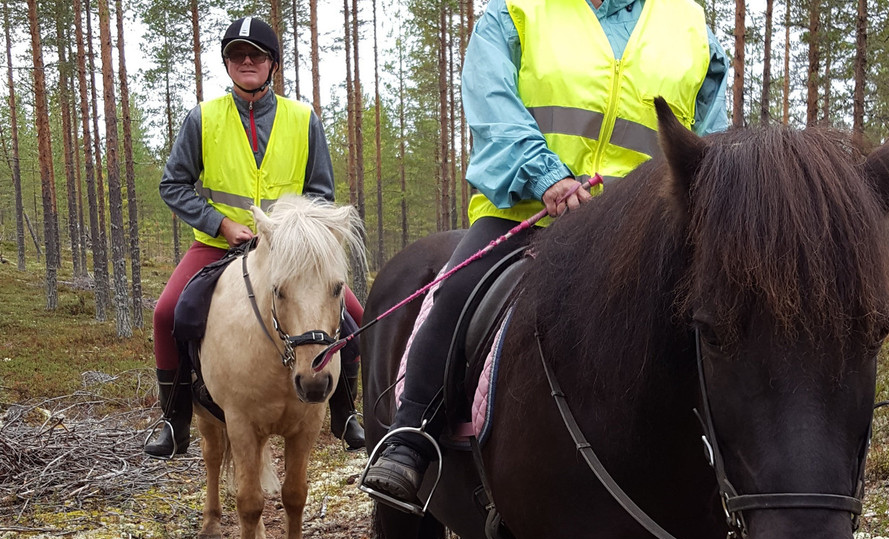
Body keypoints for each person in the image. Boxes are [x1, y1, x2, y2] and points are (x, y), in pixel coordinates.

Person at [363, 0, 729, 511]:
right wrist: (545, 175)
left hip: (651, 227)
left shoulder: (689, 24)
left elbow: (711, 136)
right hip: (528, 209)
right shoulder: (515, 12)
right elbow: (493, 106)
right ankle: (409, 437)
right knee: (459, 291)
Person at [146, 16, 365, 459]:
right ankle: (174, 418)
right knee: (168, 311)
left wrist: (291, 230)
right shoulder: (203, 118)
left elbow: (321, 193)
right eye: (236, 55)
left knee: (355, 317)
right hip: (218, 243)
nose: (247, 61)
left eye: (257, 55)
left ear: (272, 64)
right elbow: (173, 185)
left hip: (289, 249)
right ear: (227, 64)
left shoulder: (303, 119)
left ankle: (346, 412)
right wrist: (220, 224)